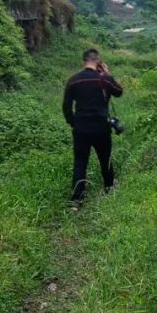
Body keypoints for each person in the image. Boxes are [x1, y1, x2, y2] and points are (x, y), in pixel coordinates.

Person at [62, 48, 123, 206]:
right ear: (99, 62)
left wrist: (74, 123)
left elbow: (66, 107)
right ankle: (109, 187)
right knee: (105, 158)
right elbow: (119, 92)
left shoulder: (73, 80)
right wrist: (107, 74)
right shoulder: (105, 79)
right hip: (101, 128)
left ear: (83, 62)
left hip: (81, 128)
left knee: (80, 161)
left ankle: (77, 198)